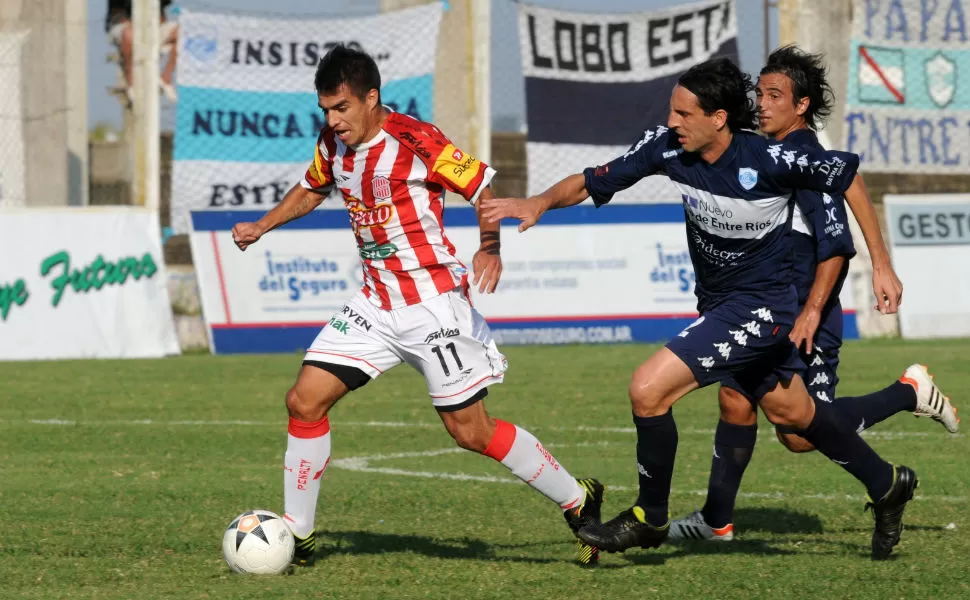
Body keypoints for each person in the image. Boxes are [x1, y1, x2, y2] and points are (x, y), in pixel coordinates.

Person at [481, 57, 917, 560]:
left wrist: (881, 265)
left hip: (765, 307)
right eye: (672, 111)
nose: (672, 122)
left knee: (647, 388)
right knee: (791, 413)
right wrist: (538, 203)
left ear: (718, 118)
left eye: (684, 113)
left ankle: (650, 517)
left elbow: (848, 177)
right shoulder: (668, 147)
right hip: (719, 302)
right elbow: (593, 179)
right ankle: (886, 484)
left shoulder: (771, 159)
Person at [230, 45, 604, 567]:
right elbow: (313, 188)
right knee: (304, 401)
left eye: (341, 108)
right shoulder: (332, 145)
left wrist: (489, 246)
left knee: (470, 431)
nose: (333, 121)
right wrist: (262, 226)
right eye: (326, 111)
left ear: (371, 98)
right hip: (376, 304)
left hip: (433, 306)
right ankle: (299, 534)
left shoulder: (416, 138)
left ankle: (577, 497)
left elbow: (480, 185)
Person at [667, 46, 958, 543]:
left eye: (774, 95)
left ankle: (907, 392)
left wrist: (826, 301)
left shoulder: (804, 155)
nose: (761, 103)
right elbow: (854, 183)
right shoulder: (775, 151)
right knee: (736, 400)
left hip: (805, 315)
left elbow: (835, 244)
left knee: (800, 433)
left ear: (800, 106)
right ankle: (716, 521)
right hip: (769, 308)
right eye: (759, 93)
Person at [106, 0, 179, 103]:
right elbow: (117, 14)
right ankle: (131, 82)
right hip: (124, 26)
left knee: (181, 32)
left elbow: (164, 10)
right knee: (128, 34)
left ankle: (166, 78)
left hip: (152, 26)